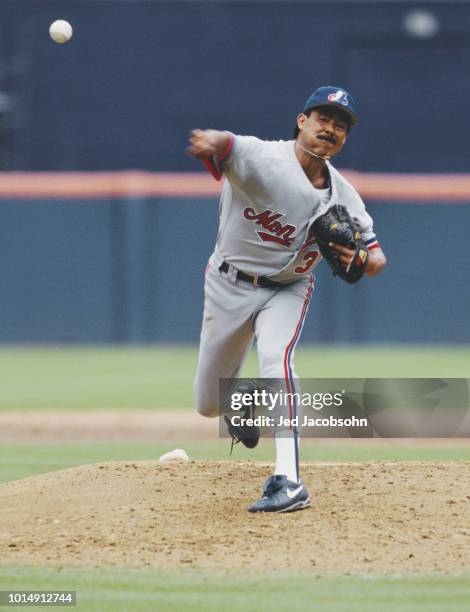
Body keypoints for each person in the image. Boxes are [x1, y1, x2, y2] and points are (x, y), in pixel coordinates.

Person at [187, 86, 386, 513]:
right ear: (302, 121)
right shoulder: (265, 158)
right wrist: (211, 141)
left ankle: (289, 481)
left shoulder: (344, 195)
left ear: (345, 137)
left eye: (340, 126)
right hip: (228, 283)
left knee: (277, 359)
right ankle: (240, 398)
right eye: (323, 119)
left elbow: (377, 257)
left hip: (289, 288)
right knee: (208, 404)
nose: (330, 129)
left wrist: (364, 259)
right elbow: (229, 145)